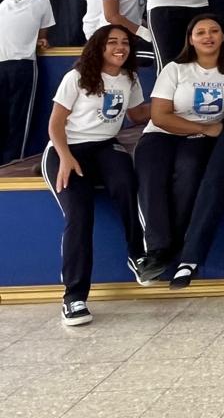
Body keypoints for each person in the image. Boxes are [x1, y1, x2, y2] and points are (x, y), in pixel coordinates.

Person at [42, 25, 154, 325]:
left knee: (127, 183)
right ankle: (74, 297)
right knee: (80, 216)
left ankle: (138, 255)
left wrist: (173, 102)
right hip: (67, 149)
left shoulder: (130, 77)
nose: (120, 47)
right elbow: (55, 124)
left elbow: (138, 114)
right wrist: (65, 157)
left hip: (105, 146)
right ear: (98, 47)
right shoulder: (77, 77)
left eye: (125, 42)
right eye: (112, 42)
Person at [132, 14, 224, 284]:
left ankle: (172, 245)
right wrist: (205, 128)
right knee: (152, 176)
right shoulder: (175, 69)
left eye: (214, 31)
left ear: (223, 36)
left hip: (200, 140)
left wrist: (212, 133)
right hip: (162, 134)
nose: (208, 36)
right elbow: (160, 116)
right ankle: (156, 250)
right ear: (190, 40)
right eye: (200, 32)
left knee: (189, 171)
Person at [0, 0, 56, 164]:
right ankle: (13, 160)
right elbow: (42, 35)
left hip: (1, 62)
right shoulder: (42, 2)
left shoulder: (6, 3)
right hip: (22, 64)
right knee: (19, 116)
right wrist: (41, 40)